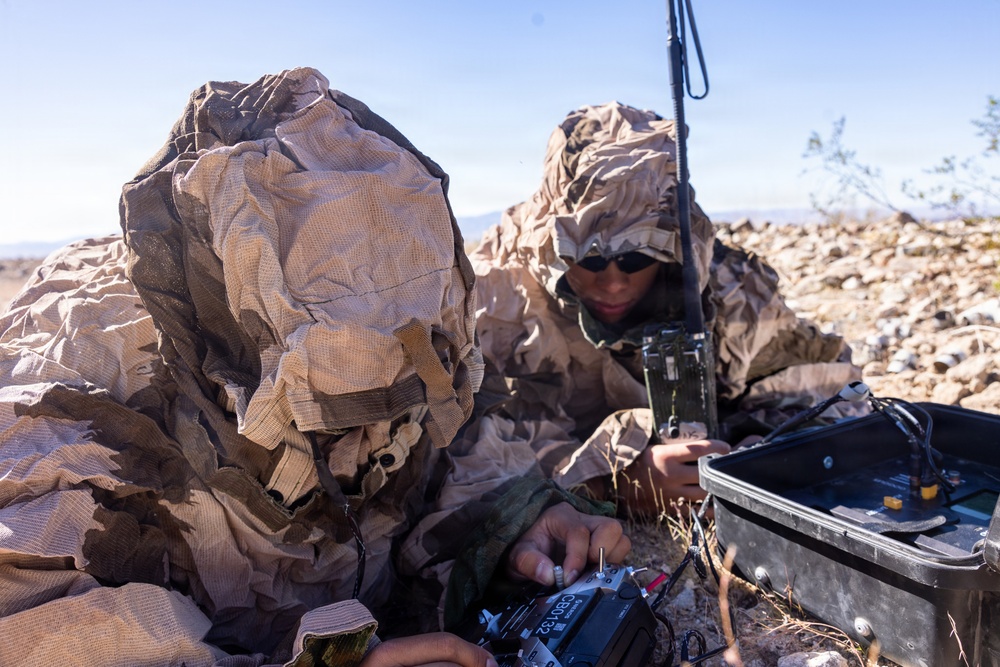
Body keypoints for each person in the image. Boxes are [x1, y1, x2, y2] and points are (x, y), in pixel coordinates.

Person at [0, 69, 629, 667]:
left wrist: (518, 522)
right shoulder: (76, 417)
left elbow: (443, 449)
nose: (368, 435)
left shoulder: (421, 322)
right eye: (335, 408)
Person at [471, 102, 864, 515]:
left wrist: (767, 450)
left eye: (636, 258)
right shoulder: (498, 298)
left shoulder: (726, 290)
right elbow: (463, 452)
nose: (613, 282)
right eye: (589, 260)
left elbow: (834, 397)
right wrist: (609, 479)